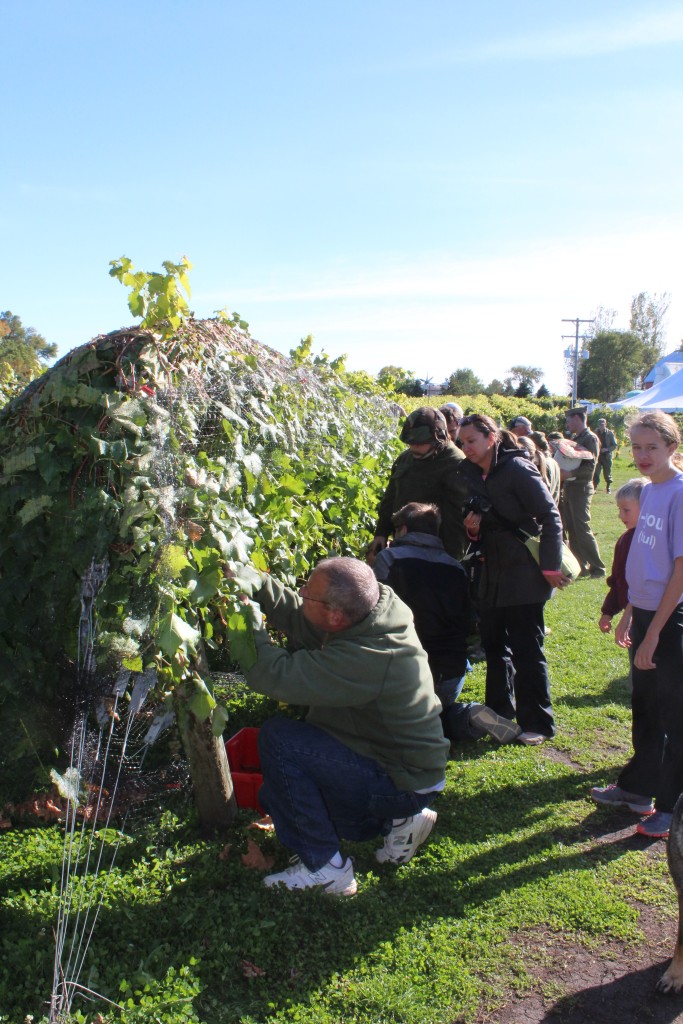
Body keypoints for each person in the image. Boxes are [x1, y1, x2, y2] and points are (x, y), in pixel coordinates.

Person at [237, 557, 450, 894]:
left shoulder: (369, 656)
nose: (302, 592)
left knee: (281, 742)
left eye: (309, 591)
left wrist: (244, 624)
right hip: (409, 767)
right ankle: (402, 820)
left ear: (336, 614)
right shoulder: (374, 611)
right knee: (276, 792)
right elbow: (304, 617)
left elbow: (274, 675)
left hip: (402, 778)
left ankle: (326, 869)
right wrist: (258, 583)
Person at [591, 412, 683, 839]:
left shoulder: (680, 493)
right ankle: (637, 790)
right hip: (645, 613)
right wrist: (630, 611)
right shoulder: (649, 491)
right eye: (637, 447)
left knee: (673, 716)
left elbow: (680, 570)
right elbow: (645, 563)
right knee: (645, 708)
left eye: (652, 447)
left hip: (671, 619)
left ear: (672, 447)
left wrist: (656, 631)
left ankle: (671, 808)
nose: (643, 455)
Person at [457, 414, 567, 745]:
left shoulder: (518, 469)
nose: (466, 449)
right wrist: (472, 530)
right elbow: (481, 522)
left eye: (471, 441)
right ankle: (499, 714)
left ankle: (538, 723)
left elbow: (550, 517)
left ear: (491, 439)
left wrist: (550, 566)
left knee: (526, 649)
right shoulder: (471, 472)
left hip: (524, 573)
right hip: (491, 573)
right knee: (493, 646)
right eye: (462, 443)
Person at [373, 501, 522, 744]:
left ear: (404, 530)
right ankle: (465, 715)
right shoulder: (455, 567)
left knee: (391, 721)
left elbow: (375, 615)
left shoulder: (389, 560)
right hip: (451, 670)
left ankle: (459, 716)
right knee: (427, 712)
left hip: (405, 667)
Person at [367, 407, 468, 564]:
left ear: (438, 439)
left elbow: (457, 521)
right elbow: (390, 497)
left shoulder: (456, 464)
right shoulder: (405, 460)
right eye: (410, 442)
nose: (414, 447)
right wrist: (381, 533)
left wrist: (450, 560)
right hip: (401, 546)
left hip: (436, 553)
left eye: (420, 443)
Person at [597, 478, 646, 636]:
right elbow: (619, 579)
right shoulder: (625, 540)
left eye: (626, 510)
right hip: (632, 615)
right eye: (619, 509)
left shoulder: (657, 540)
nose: (620, 515)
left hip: (654, 612)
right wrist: (608, 611)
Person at [563, 407, 605, 578]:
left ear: (577, 419)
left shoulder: (590, 439)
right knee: (572, 528)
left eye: (568, 419)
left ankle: (598, 567)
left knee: (582, 527)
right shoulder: (576, 438)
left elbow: (590, 469)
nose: (566, 423)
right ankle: (580, 566)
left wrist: (569, 474)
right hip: (571, 488)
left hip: (581, 487)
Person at [594, 417, 618, 493]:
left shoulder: (609, 433)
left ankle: (608, 487)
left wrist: (607, 449)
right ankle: (594, 487)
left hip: (607, 456)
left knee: (607, 473)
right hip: (598, 455)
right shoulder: (595, 433)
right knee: (596, 472)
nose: (601, 426)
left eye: (603, 424)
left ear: (605, 424)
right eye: (600, 425)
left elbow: (614, 445)